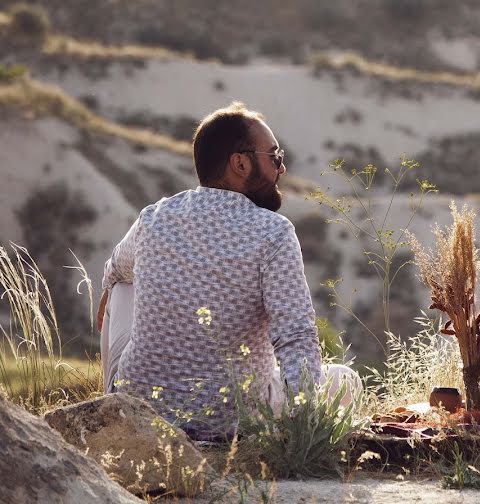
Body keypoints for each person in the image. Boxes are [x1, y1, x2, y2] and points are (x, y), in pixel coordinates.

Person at [98, 102, 360, 438]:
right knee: (345, 379)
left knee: (120, 284)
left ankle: (109, 402)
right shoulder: (273, 233)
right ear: (240, 163)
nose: (281, 168)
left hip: (141, 413)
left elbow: (115, 268)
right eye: (274, 157)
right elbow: (295, 335)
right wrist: (303, 429)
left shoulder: (153, 218)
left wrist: (108, 292)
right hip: (234, 421)